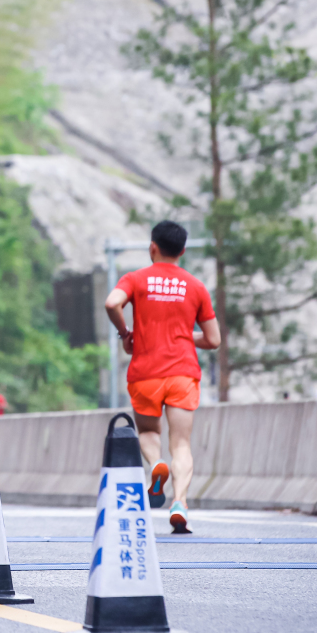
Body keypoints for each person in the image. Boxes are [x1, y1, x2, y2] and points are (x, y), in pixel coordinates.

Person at [105, 220, 220, 534]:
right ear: (182, 251)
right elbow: (214, 339)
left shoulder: (136, 279)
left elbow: (112, 302)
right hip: (182, 373)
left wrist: (125, 333)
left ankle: (156, 463)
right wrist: (183, 336)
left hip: (145, 373)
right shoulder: (195, 287)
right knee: (181, 443)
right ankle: (179, 502)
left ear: (152, 247)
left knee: (148, 433)